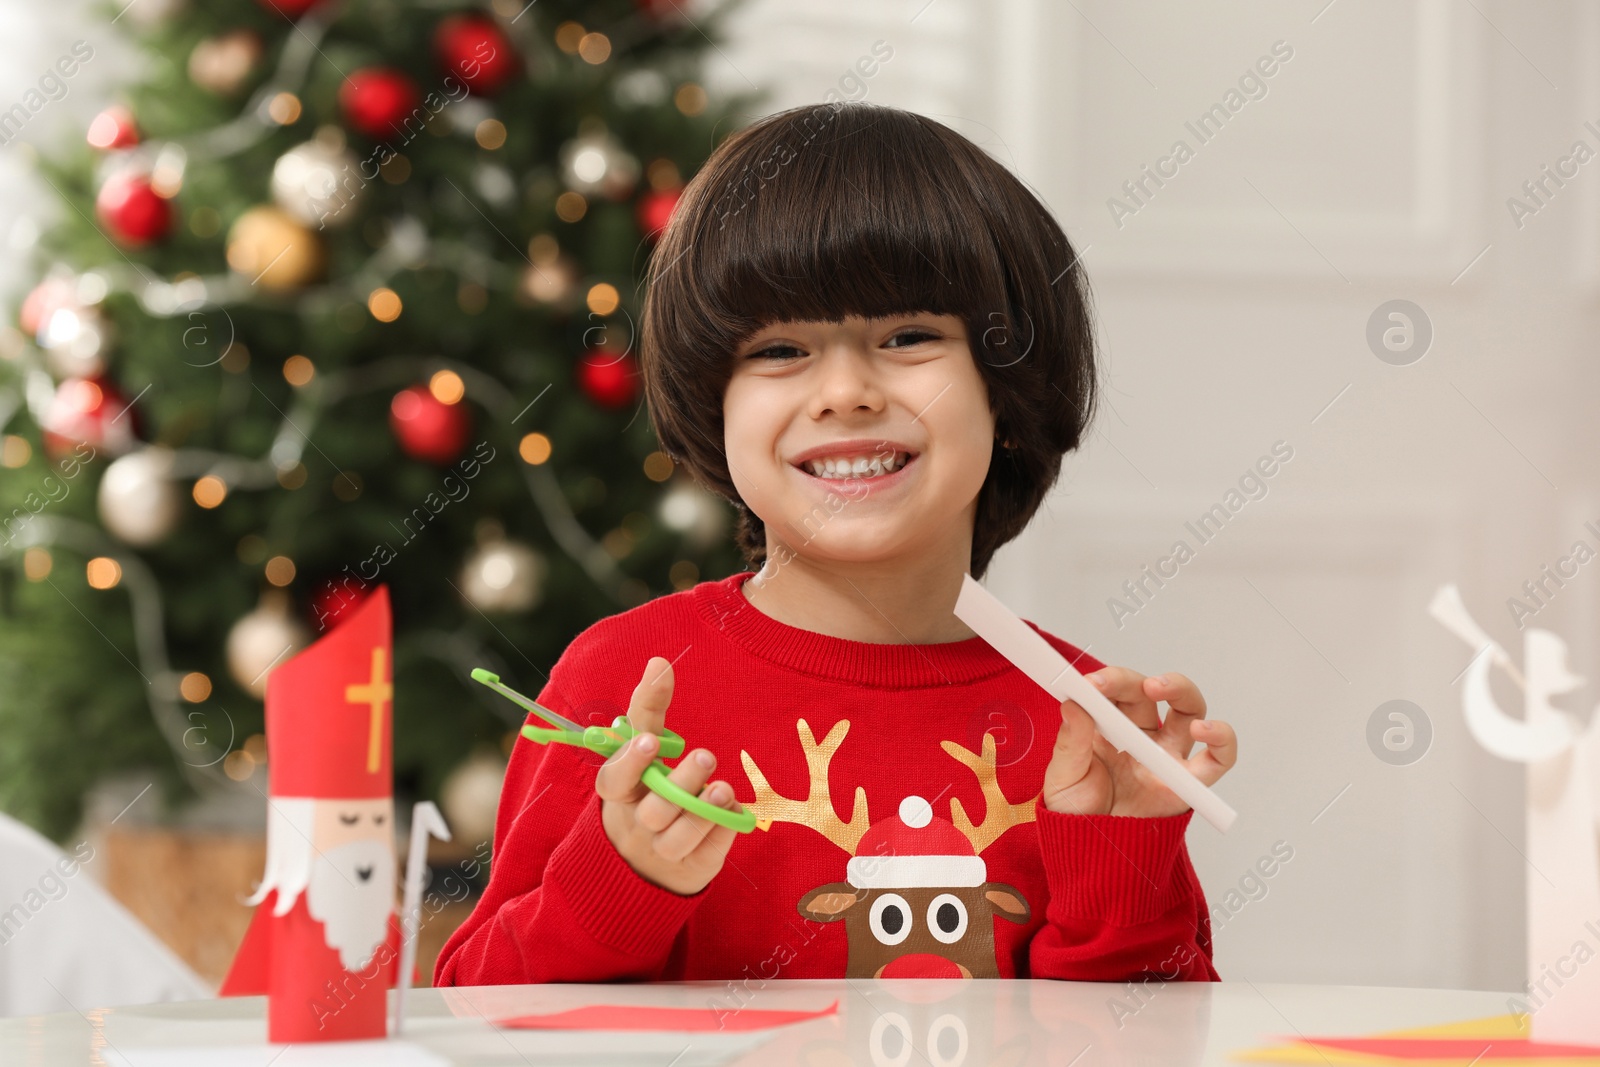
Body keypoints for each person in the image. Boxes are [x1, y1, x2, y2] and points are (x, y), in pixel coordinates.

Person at [434, 101, 1238, 987]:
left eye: (908, 336)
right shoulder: (617, 683)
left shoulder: (1086, 724)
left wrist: (1120, 860)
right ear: (716, 408)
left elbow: (1152, 1041)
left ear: (1005, 393)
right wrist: (619, 882)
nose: (846, 392)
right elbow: (479, 1014)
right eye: (779, 349)